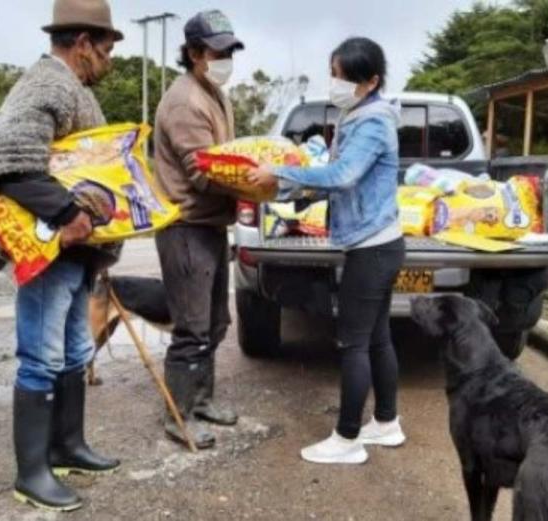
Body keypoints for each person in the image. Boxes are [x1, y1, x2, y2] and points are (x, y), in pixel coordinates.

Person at [0, 0, 124, 511]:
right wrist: (67, 213)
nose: (109, 60)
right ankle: (32, 473)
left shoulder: (71, 88)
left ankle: (68, 447)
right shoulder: (48, 83)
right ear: (81, 45)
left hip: (77, 253)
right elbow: (13, 164)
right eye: (105, 49)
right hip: (50, 247)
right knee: (41, 357)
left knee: (77, 352)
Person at [249, 37, 406, 465]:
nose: (334, 82)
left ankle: (347, 439)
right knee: (376, 338)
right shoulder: (357, 113)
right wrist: (289, 183)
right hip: (381, 243)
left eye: (342, 76)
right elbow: (331, 173)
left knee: (353, 343)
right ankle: (387, 422)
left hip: (371, 248)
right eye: (333, 72)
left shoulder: (372, 122)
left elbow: (342, 175)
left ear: (371, 81)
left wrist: (277, 170)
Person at [152, 9, 245, 449]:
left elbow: (225, 158)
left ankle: (202, 400)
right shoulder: (185, 100)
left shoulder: (214, 94)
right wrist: (257, 184)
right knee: (191, 328)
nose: (226, 58)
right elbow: (204, 173)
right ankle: (179, 415)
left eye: (230, 50)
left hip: (210, 224)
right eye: (217, 51)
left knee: (216, 322)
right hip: (185, 224)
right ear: (193, 53)